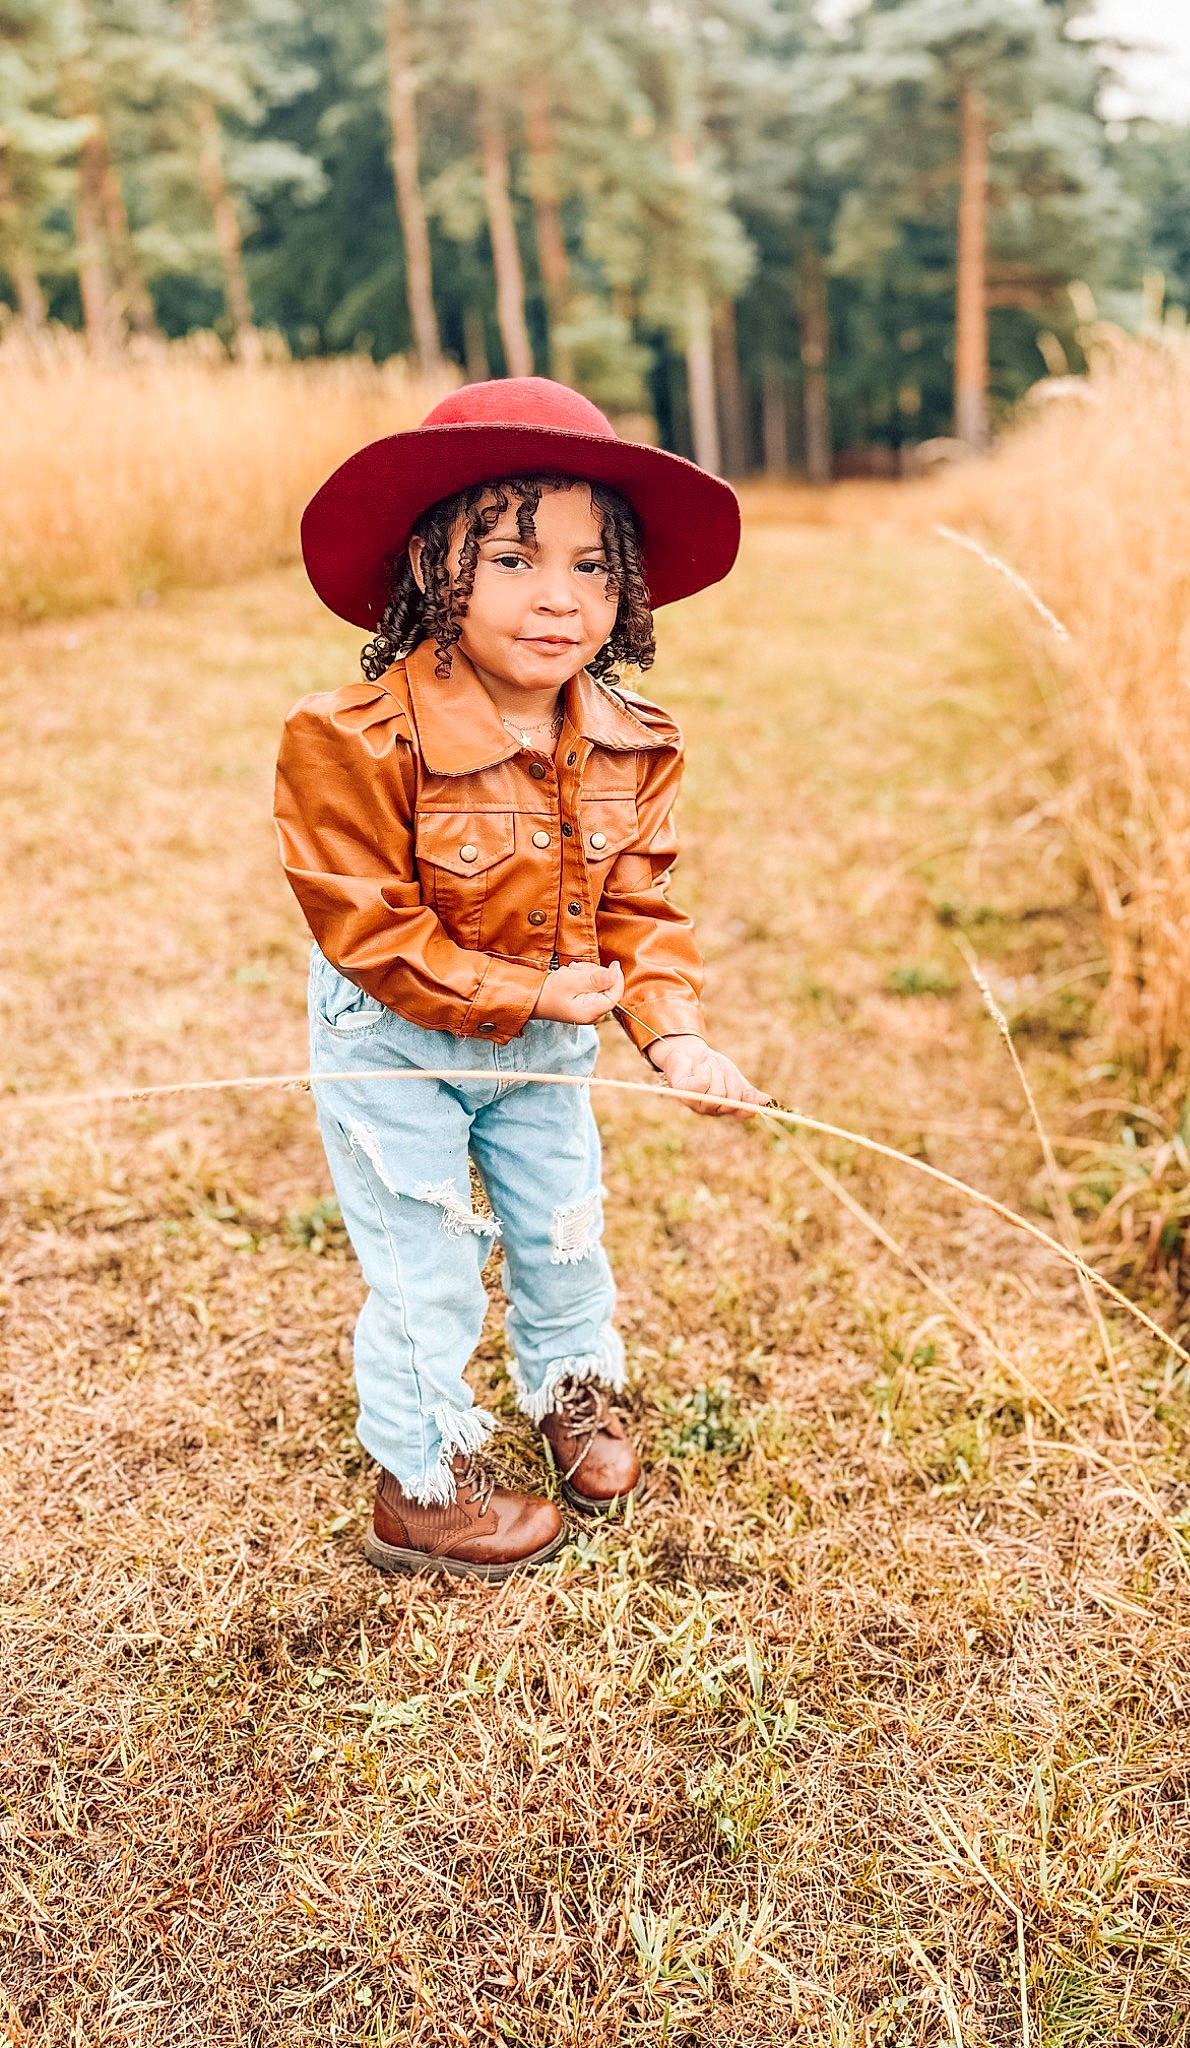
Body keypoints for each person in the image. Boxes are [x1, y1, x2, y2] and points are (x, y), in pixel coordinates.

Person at [274, 376, 769, 1581]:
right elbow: (370, 927)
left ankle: (575, 1390)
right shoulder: (349, 738)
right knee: (429, 1256)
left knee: (561, 1227)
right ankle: (424, 1477)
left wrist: (676, 1033)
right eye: (511, 558)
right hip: (398, 1045)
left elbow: (639, 905)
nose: (560, 596)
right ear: (433, 569)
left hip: (547, 1049)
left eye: (595, 568)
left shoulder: (633, 737)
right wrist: (529, 992)